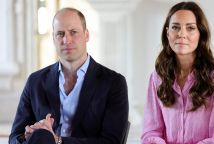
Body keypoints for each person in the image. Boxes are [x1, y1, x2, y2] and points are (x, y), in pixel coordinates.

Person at [9, 7, 129, 144]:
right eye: (60, 33)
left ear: (87, 35)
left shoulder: (113, 82)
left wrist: (58, 140)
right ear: (53, 38)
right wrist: (28, 136)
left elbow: (112, 142)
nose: (66, 40)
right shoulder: (35, 81)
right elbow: (14, 138)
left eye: (73, 32)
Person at [141, 1, 214, 144]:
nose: (181, 34)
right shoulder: (157, 77)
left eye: (190, 28)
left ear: (201, 34)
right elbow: (150, 133)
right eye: (175, 27)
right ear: (167, 33)